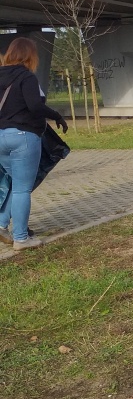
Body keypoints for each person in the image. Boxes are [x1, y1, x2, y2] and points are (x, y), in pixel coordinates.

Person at [0, 37, 68, 250]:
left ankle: (1, 224)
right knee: (22, 189)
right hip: (23, 137)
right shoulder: (26, 77)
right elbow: (35, 107)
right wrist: (56, 115)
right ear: (30, 56)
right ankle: (21, 238)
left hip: (0, 137)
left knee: (14, 183)